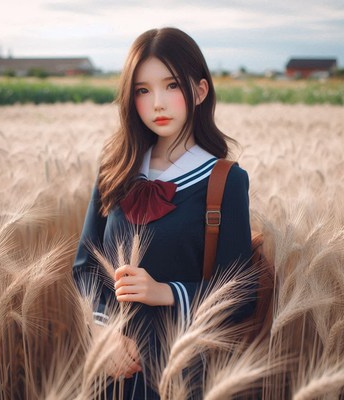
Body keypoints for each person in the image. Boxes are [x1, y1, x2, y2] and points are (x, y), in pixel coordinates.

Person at [73, 27, 254, 399]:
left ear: (200, 91)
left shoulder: (224, 181)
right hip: (113, 368)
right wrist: (103, 334)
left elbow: (240, 293)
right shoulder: (115, 170)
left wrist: (164, 292)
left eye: (171, 85)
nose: (157, 103)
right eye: (143, 90)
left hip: (183, 371)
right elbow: (85, 267)